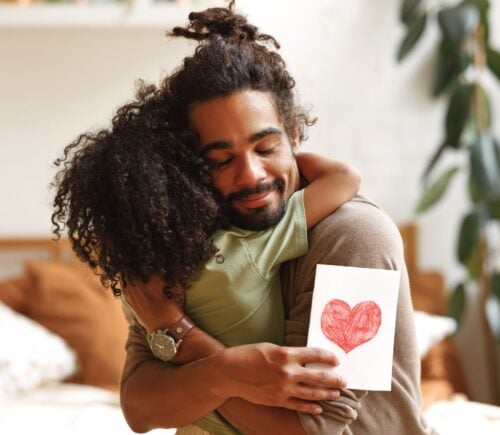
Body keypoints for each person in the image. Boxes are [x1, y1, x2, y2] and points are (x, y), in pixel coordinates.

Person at [56, 3, 436, 434]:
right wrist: (220, 370)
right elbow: (142, 410)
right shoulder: (178, 246)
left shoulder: (353, 235)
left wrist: (179, 335)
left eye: (266, 147)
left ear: (294, 134)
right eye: (220, 159)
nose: (251, 176)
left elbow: (306, 430)